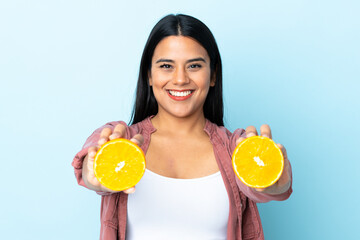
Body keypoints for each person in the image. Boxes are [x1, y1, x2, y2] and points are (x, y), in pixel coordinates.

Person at [72, 14, 292, 240]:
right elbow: (88, 167)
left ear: (213, 75)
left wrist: (275, 183)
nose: (180, 79)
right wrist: (96, 173)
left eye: (194, 66)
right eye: (166, 66)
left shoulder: (237, 148)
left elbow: (267, 188)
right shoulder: (120, 141)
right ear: (149, 74)